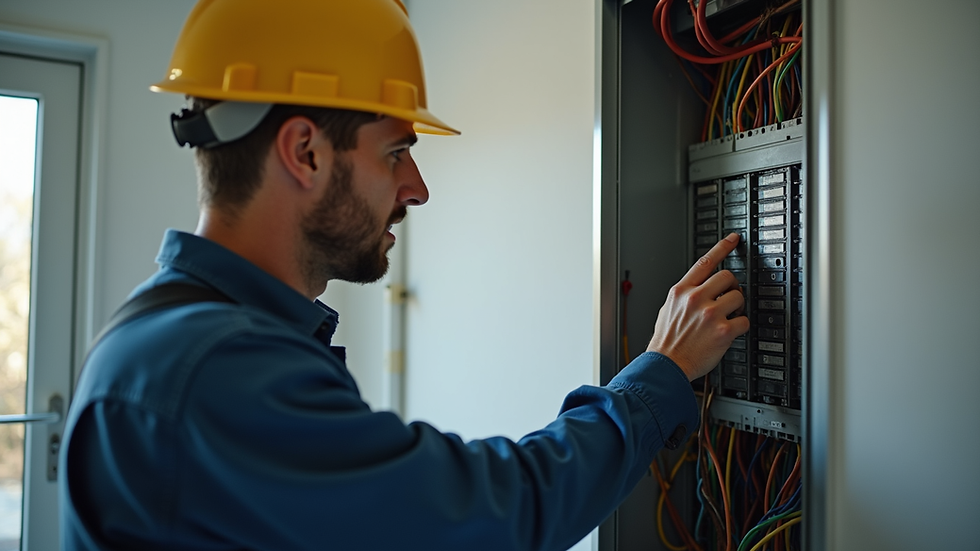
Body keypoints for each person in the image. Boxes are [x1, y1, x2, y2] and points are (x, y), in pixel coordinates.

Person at [58, 1, 749, 549]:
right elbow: (489, 514)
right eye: (395, 152)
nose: (416, 188)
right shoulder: (213, 369)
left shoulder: (179, 339)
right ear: (305, 152)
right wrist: (662, 368)